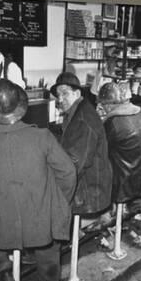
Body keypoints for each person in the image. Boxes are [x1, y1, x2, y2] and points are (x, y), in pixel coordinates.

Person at [0, 80, 77, 281]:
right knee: (49, 253)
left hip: (4, 225)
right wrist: (58, 202)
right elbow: (68, 173)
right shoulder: (42, 136)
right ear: (21, 105)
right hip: (40, 222)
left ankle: (2, 267)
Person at [50, 72, 113, 219]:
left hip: (89, 190)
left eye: (65, 94)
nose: (60, 99)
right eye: (58, 95)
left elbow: (74, 165)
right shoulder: (78, 111)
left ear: (77, 93)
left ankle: (67, 235)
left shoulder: (83, 121)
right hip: (92, 181)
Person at [97, 82, 141, 212]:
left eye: (103, 105)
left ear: (109, 105)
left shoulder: (113, 123)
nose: (102, 108)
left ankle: (100, 217)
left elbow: (99, 150)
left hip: (122, 185)